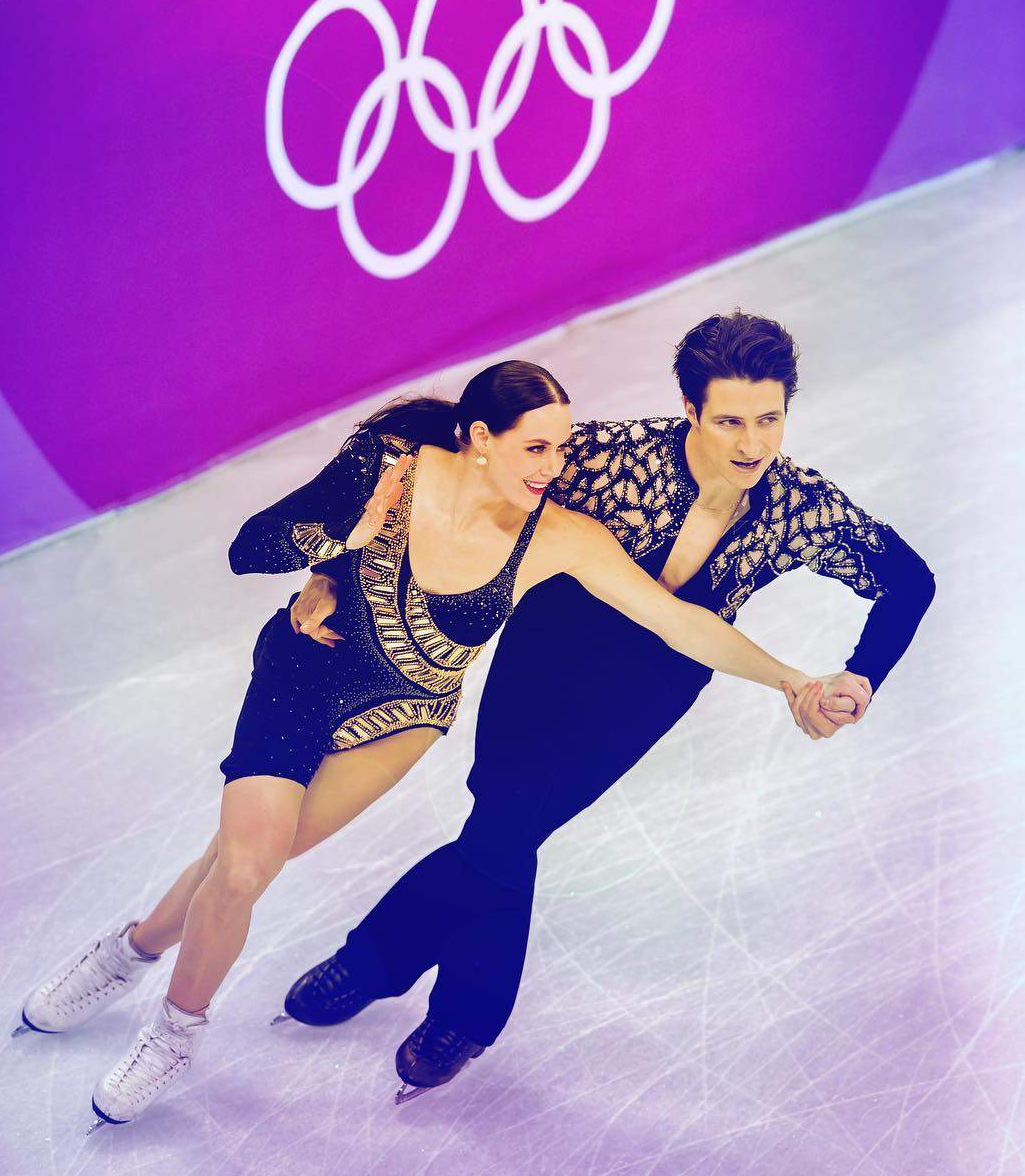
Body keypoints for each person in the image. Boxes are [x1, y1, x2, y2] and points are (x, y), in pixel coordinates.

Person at [11, 358, 838, 1133]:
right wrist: (340, 541)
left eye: (562, 447)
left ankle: (132, 950)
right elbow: (247, 549)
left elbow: (681, 623)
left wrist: (790, 679)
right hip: (308, 666)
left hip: (403, 714)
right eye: (537, 447)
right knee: (244, 864)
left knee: (245, 859)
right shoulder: (393, 463)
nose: (556, 466)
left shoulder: (560, 535)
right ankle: (170, 1029)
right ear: (480, 438)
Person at [278, 312, 934, 1103]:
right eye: (730, 421)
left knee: (506, 832)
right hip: (547, 652)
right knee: (505, 821)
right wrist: (332, 572)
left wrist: (860, 676)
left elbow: (910, 581)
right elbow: (450, 467)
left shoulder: (798, 506)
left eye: (769, 419)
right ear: (690, 409)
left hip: (649, 693)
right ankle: (452, 1011)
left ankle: (377, 956)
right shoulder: (607, 457)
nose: (752, 442)